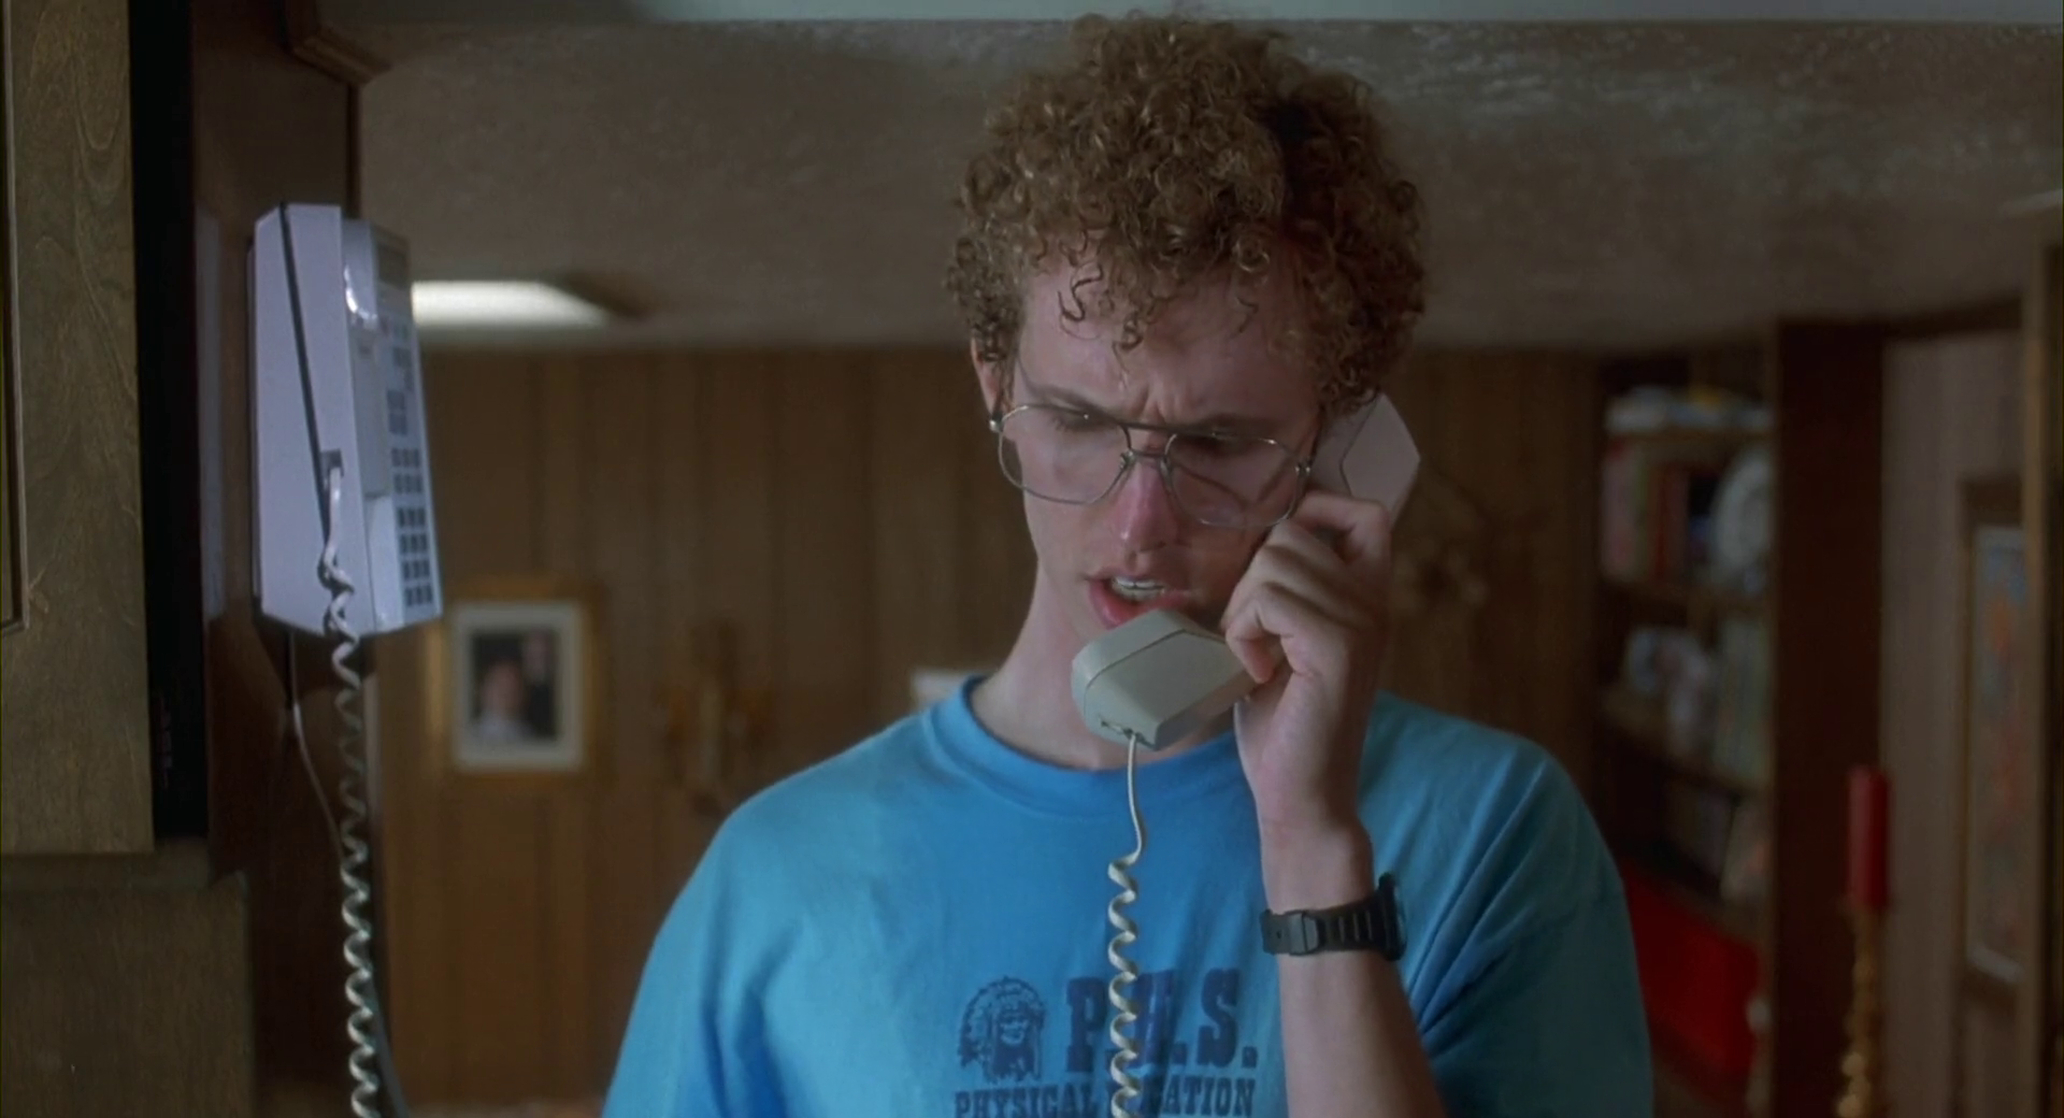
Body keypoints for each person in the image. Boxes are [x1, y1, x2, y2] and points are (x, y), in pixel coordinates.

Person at [605, 14, 1651, 1117]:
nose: (1140, 523)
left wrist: (1313, 849)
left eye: (1219, 443)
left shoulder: (1493, 831)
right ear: (995, 383)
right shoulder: (777, 877)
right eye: (1077, 421)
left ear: (1342, 443)